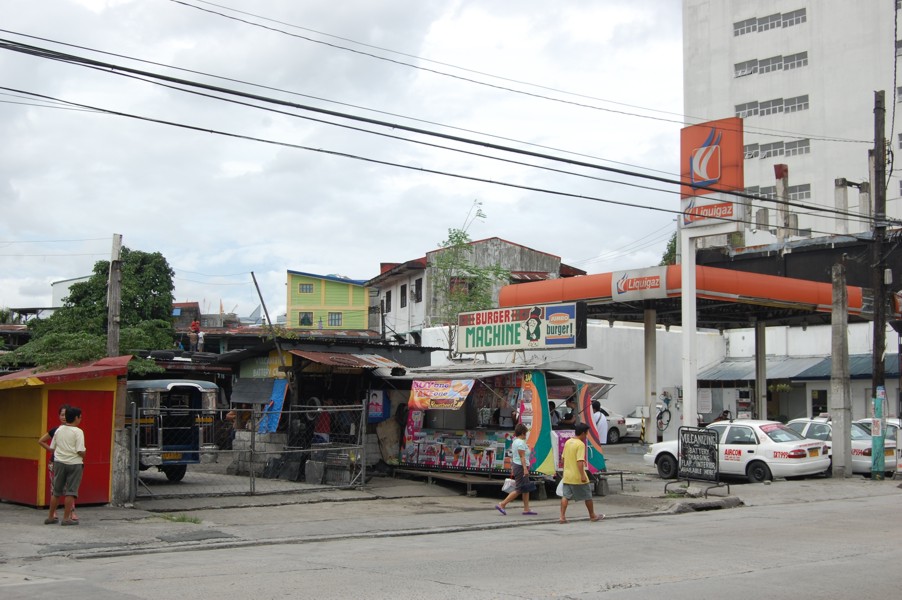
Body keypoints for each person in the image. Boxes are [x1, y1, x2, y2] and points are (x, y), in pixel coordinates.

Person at [46, 407, 86, 526]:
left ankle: (50, 517)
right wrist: (84, 454)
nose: (80, 419)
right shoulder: (78, 431)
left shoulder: (58, 430)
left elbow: (52, 447)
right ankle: (66, 518)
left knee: (56, 491)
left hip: (59, 462)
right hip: (74, 463)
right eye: (80, 417)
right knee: (71, 491)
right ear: (76, 418)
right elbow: (80, 450)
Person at [38, 404, 77, 522]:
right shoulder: (56, 430)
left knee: (70, 488)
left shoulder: (75, 431)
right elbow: (41, 441)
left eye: (66, 415)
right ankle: (53, 512)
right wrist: (51, 450)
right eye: (62, 414)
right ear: (59, 416)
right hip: (55, 462)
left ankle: (71, 512)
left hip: (70, 462)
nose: (64, 417)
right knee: (55, 488)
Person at [559, 422, 603, 524]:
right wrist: (583, 475)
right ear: (583, 433)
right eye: (586, 433)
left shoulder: (568, 442)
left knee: (565, 496)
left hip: (567, 475)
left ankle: (562, 517)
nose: (586, 435)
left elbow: (563, 459)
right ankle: (592, 515)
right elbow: (580, 461)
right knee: (588, 496)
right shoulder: (580, 444)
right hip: (577, 476)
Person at [494, 423, 537, 516]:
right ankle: (502, 504)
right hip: (521, 467)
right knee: (520, 489)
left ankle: (526, 508)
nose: (526, 435)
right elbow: (522, 457)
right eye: (525, 433)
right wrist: (525, 469)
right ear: (522, 433)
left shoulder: (516, 441)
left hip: (517, 466)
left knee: (526, 488)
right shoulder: (521, 443)